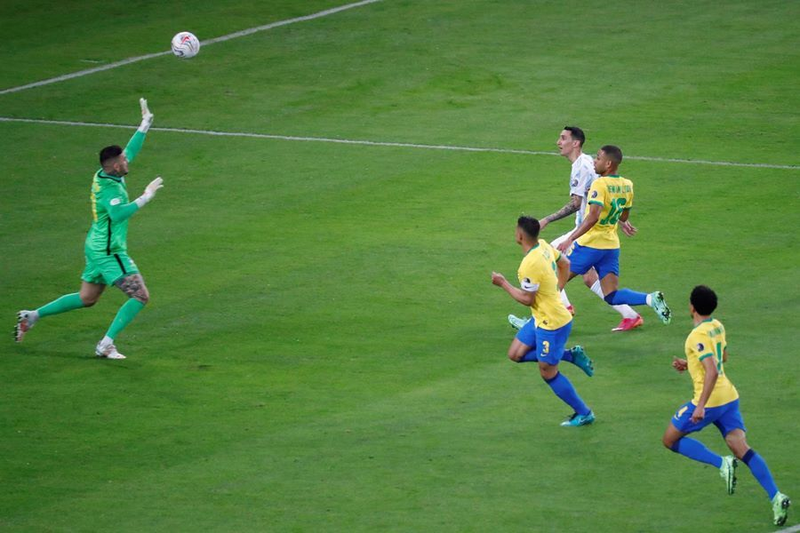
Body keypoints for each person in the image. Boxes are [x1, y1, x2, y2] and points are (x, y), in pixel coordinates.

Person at [14, 99, 164, 360]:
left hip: (94, 244)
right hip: (109, 250)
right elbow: (118, 215)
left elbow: (129, 151)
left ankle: (33, 315)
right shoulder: (111, 188)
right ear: (116, 166)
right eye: (124, 160)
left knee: (87, 298)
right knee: (140, 296)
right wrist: (146, 196)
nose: (128, 160)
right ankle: (105, 344)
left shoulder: (105, 174)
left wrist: (144, 125)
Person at [661, 285, 790, 526]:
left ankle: (722, 463)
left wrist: (700, 406)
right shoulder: (717, 326)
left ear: (691, 307)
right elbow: (722, 359)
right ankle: (776, 496)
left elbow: (710, 370)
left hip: (709, 401)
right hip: (729, 397)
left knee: (669, 439)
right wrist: (689, 364)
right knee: (742, 448)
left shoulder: (695, 336)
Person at [509, 127, 642, 333]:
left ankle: (552, 313)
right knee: (590, 278)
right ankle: (631, 315)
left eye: (563, 138)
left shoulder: (581, 166)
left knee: (548, 261)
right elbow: (603, 198)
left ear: (576, 143)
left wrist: (546, 220)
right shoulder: (589, 162)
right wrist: (620, 220)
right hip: (597, 232)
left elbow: (575, 204)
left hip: (587, 232)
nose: (558, 142)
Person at [492, 216, 596, 427]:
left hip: (553, 323)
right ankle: (569, 356)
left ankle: (584, 413)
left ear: (520, 235)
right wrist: (558, 288)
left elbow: (526, 298)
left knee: (548, 371)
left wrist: (503, 283)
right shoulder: (543, 245)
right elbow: (565, 263)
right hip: (541, 316)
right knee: (515, 354)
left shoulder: (528, 265)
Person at [555, 145, 671, 324]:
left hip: (589, 245)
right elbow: (624, 215)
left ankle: (536, 325)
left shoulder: (599, 184)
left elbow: (592, 217)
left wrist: (570, 239)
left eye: (599, 158)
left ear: (608, 163)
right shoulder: (627, 185)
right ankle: (650, 298)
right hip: (611, 247)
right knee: (611, 295)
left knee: (553, 283)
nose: (595, 161)